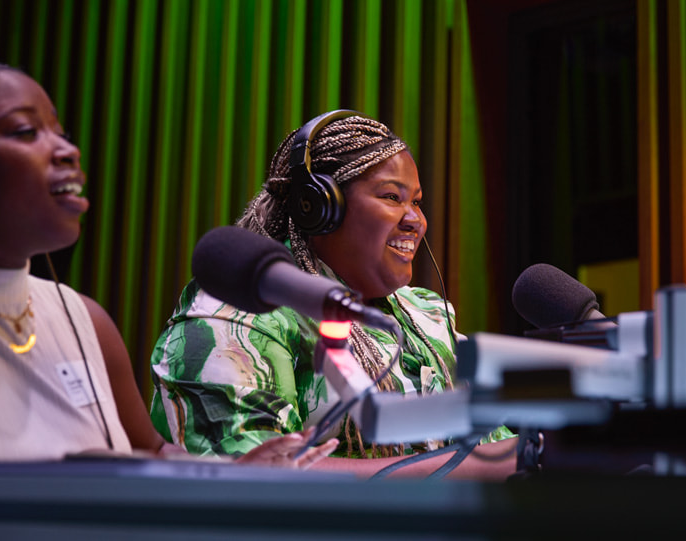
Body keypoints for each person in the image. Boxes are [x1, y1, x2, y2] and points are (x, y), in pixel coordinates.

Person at [0, 28, 336, 468]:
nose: (66, 150)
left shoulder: (86, 320)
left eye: (62, 132)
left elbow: (151, 454)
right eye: (25, 131)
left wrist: (238, 472)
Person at [150, 110, 517, 479]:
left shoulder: (428, 319)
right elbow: (252, 478)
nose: (414, 220)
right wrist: (476, 466)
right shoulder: (238, 312)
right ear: (321, 208)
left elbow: (496, 450)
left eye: (417, 202)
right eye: (392, 197)